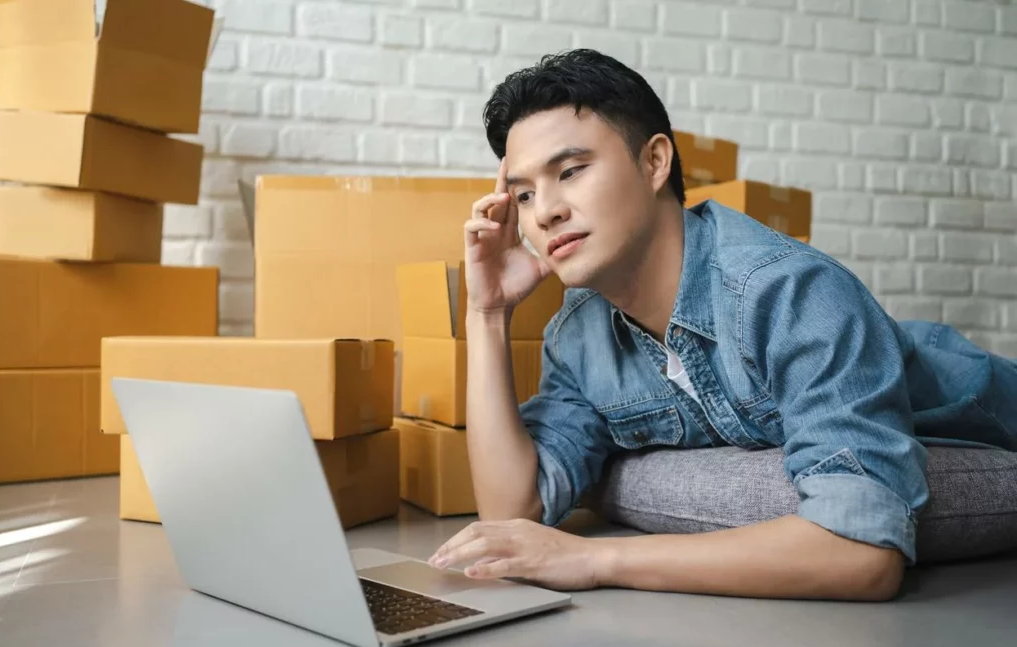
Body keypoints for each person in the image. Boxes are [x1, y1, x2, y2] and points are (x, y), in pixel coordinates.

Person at [426, 49, 1017, 601]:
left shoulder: (788, 292)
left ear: (655, 161)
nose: (546, 210)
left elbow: (864, 552)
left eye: (572, 171)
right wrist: (489, 312)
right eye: (524, 195)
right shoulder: (578, 334)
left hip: (984, 406)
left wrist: (595, 561)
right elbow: (512, 509)